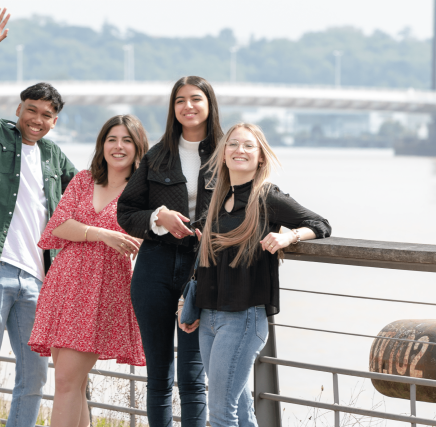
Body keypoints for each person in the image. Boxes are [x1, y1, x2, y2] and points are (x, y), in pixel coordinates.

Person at [0, 8, 78, 427]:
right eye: (32, 110)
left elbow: (89, 193)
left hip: (37, 280)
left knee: (34, 376)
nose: (37, 120)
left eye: (47, 115)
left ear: (54, 121)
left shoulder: (54, 157)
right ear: (20, 108)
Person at [181, 123, 331, 426]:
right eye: (233, 144)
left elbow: (320, 223)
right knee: (239, 408)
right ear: (223, 155)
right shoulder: (217, 200)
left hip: (243, 318)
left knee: (221, 413)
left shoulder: (267, 197)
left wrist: (290, 237)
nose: (240, 150)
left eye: (249, 145)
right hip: (209, 316)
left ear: (261, 156)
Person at [28, 115, 149, 427]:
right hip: (64, 284)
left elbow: (143, 235)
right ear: (102, 145)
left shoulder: (142, 193)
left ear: (138, 148)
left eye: (126, 140)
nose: (118, 146)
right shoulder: (83, 180)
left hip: (103, 290)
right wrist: (103, 234)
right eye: (112, 139)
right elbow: (58, 225)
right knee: (73, 384)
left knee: (67, 383)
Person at [117, 76, 224, 426]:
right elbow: (126, 212)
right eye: (180, 100)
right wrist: (158, 217)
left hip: (202, 269)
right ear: (172, 108)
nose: (187, 106)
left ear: (209, 104)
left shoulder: (228, 151)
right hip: (155, 268)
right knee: (159, 377)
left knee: (194, 378)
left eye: (196, 99)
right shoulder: (157, 155)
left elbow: (255, 200)